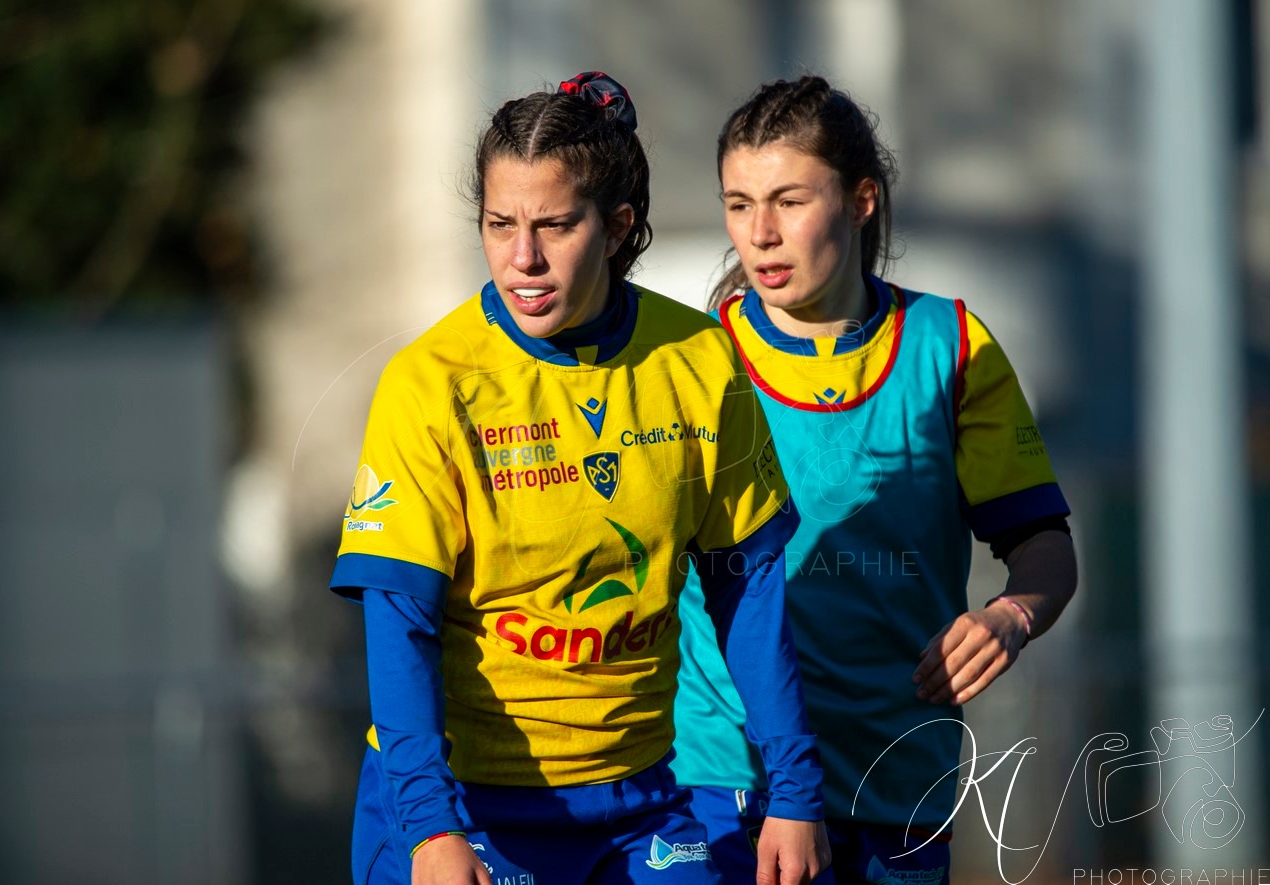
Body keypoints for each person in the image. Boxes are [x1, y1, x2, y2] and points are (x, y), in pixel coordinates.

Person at [329, 72, 832, 885]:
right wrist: (428, 830)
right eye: (499, 225)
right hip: (461, 807)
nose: (522, 257)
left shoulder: (701, 361)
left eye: (555, 225)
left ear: (615, 226)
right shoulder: (430, 382)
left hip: (643, 805)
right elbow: (398, 622)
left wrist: (795, 791)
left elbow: (748, 585)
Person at [671, 75, 1079, 885]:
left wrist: (1008, 616)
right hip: (729, 774)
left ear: (860, 199)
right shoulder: (696, 360)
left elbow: (1043, 548)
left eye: (788, 200)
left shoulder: (949, 344)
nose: (760, 233)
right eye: (738, 203)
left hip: (899, 772)